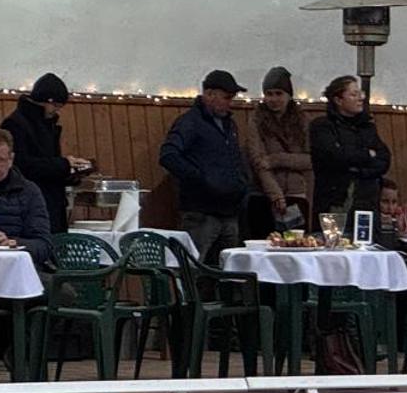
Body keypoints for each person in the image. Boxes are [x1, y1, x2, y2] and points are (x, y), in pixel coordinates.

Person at [159, 70, 251, 263]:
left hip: (230, 211)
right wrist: (200, 180)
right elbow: (168, 155)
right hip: (201, 212)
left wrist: (242, 184)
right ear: (209, 94)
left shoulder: (229, 125)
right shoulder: (189, 123)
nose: (230, 103)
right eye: (226, 97)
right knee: (193, 266)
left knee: (228, 270)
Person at [1, 73, 92, 234]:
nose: (57, 110)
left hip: (51, 200)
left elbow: (47, 162)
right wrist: (64, 164)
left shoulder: (45, 124)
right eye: (56, 105)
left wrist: (71, 172)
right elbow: (21, 165)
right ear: (46, 101)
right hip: (30, 202)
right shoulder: (15, 124)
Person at [308, 75, 391, 221]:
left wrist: (359, 170)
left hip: (367, 200)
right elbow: (335, 157)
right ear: (338, 100)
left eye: (360, 94)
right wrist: (368, 155)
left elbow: (384, 159)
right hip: (335, 200)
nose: (360, 98)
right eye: (353, 94)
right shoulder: (323, 127)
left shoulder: (367, 127)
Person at [244, 67, 313, 233]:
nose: (273, 99)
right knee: (264, 242)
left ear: (288, 95)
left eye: (278, 94)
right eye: (269, 94)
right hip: (263, 195)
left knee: (294, 242)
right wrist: (276, 195)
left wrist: (276, 159)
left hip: (296, 194)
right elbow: (258, 161)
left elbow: (311, 159)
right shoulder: (256, 120)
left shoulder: (303, 121)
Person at [0, 129, 54, 266]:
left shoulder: (28, 192)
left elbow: (44, 246)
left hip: (17, 268)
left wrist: (11, 243)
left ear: (11, 160)